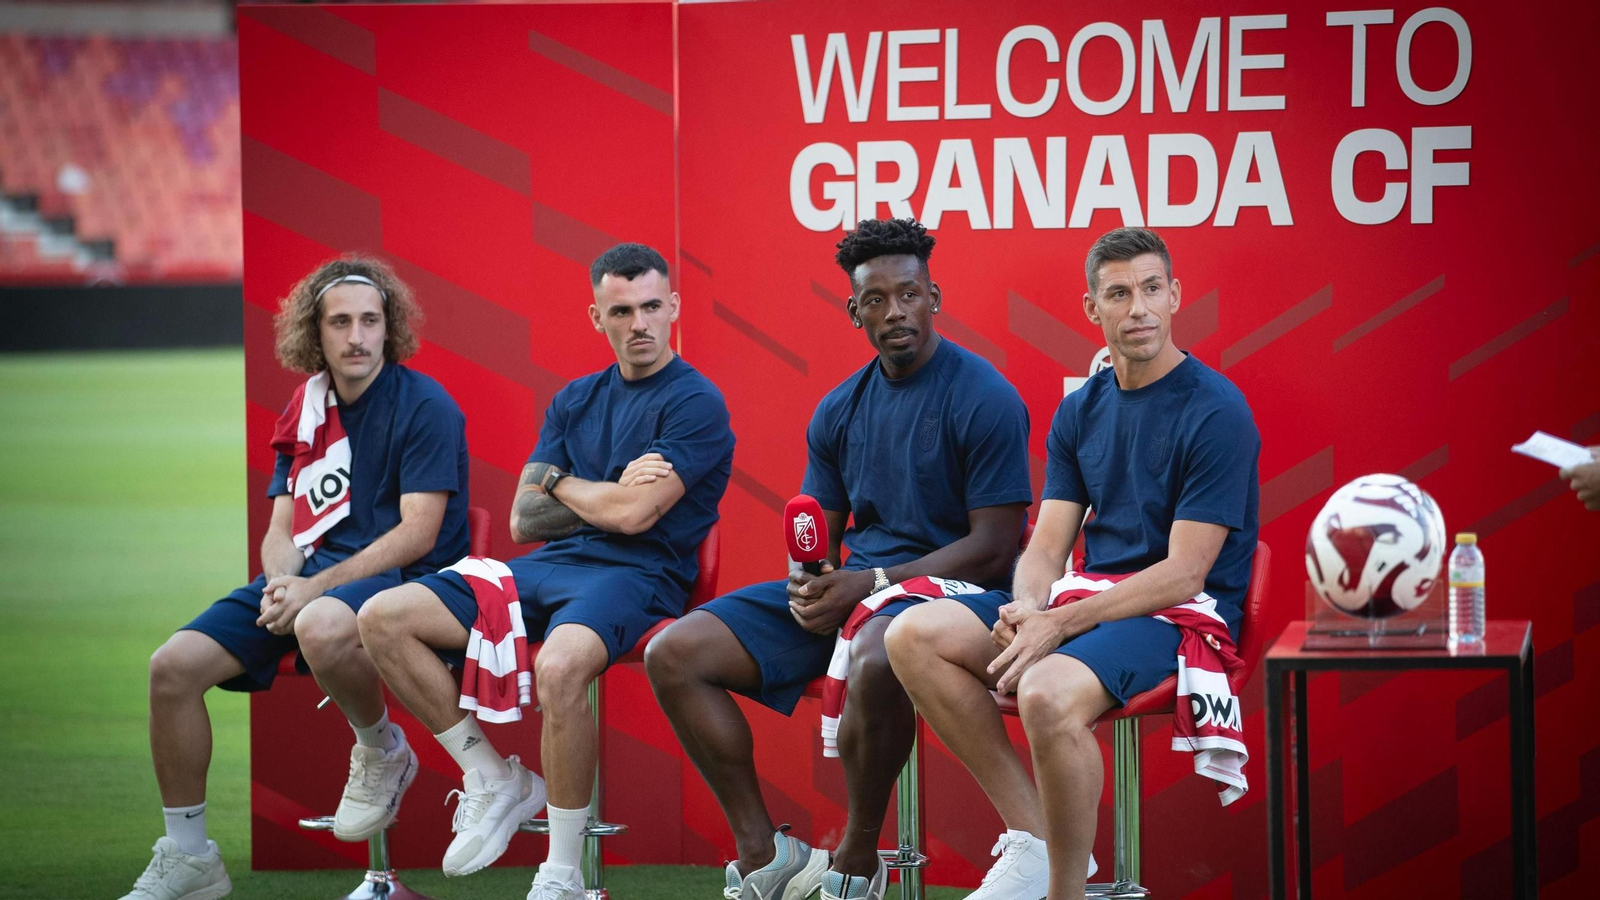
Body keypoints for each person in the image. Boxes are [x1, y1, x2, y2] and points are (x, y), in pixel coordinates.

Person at [645, 218, 1032, 900]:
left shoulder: (985, 395)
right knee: (674, 653)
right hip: (862, 588)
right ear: (854, 311)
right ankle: (767, 854)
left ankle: (856, 858)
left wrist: (875, 582)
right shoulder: (838, 409)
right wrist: (811, 582)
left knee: (883, 646)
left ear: (933, 296)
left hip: (958, 596)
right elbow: (817, 534)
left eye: (908, 294)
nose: (895, 312)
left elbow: (998, 545)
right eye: (875, 301)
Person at [886, 226, 1261, 900]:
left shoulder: (1216, 410)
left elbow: (1185, 574)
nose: (1138, 308)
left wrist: (1058, 626)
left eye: (1152, 289)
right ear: (1093, 309)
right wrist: (1028, 607)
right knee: (912, 634)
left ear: (1175, 296)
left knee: (1046, 692)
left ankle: (1062, 893)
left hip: (1180, 616)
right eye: (1118, 293)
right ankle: (1035, 843)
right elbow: (1047, 547)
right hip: (1092, 598)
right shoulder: (1080, 410)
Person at [356, 243, 734, 900]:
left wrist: (561, 482)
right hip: (548, 566)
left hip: (640, 577)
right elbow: (523, 521)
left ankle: (558, 875)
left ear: (673, 306)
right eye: (622, 310)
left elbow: (639, 516)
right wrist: (601, 490)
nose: (639, 323)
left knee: (557, 667)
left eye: (651, 307)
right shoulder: (575, 399)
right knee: (382, 616)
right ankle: (493, 777)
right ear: (597, 317)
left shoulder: (697, 402)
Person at [124, 258, 471, 900]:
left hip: (408, 583)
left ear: (389, 327)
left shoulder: (426, 405)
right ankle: (190, 857)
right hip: (312, 585)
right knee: (171, 667)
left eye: (370, 320)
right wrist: (283, 580)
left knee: (318, 618)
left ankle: (381, 749)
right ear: (316, 332)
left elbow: (419, 532)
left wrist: (313, 588)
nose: (357, 336)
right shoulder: (306, 405)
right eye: (340, 322)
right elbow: (281, 527)